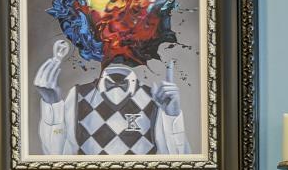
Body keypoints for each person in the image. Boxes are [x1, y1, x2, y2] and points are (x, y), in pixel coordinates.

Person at [32, 40, 189, 157]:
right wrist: (52, 105)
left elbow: (179, 167)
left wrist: (172, 116)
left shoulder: (157, 99)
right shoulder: (77, 94)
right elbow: (56, 159)